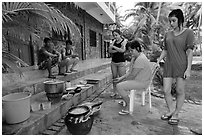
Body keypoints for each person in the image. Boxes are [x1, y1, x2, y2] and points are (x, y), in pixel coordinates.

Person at [156, 9, 195, 125]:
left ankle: (176, 113)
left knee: (179, 90)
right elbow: (165, 49)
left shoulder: (188, 33)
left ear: (180, 20)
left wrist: (188, 69)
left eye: (173, 20)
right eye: (170, 21)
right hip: (169, 65)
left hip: (181, 65)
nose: (171, 23)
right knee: (166, 90)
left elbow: (189, 52)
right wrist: (158, 60)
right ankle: (171, 110)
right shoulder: (168, 34)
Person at [114, 40, 152, 115]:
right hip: (139, 80)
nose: (131, 53)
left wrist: (124, 81)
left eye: (132, 50)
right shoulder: (136, 57)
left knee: (119, 86)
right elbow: (130, 72)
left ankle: (128, 105)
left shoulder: (140, 59)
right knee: (121, 83)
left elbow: (132, 75)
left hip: (142, 83)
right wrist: (121, 78)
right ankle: (126, 99)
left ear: (137, 48)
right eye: (129, 51)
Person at [109, 29, 127, 98]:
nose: (115, 37)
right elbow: (110, 51)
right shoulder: (113, 42)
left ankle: (122, 92)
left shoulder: (124, 42)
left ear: (120, 35)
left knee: (121, 78)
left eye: (116, 35)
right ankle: (114, 91)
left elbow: (123, 50)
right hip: (113, 62)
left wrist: (114, 47)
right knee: (114, 77)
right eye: (114, 35)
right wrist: (118, 49)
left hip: (121, 63)